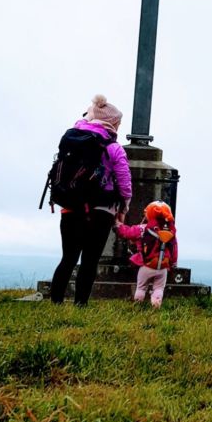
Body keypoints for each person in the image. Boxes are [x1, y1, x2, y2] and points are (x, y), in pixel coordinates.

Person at [49, 94, 132, 306]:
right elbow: (124, 182)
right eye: (118, 123)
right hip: (101, 211)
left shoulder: (72, 139)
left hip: (70, 207)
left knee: (68, 258)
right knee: (90, 260)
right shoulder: (114, 148)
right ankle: (80, 304)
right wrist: (124, 207)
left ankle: (56, 302)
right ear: (112, 123)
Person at [115, 200, 177, 308]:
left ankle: (138, 305)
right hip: (162, 267)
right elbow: (174, 248)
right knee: (159, 288)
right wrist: (173, 263)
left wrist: (118, 225)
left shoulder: (143, 228)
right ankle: (156, 305)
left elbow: (128, 232)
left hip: (146, 265)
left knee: (141, 287)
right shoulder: (170, 232)